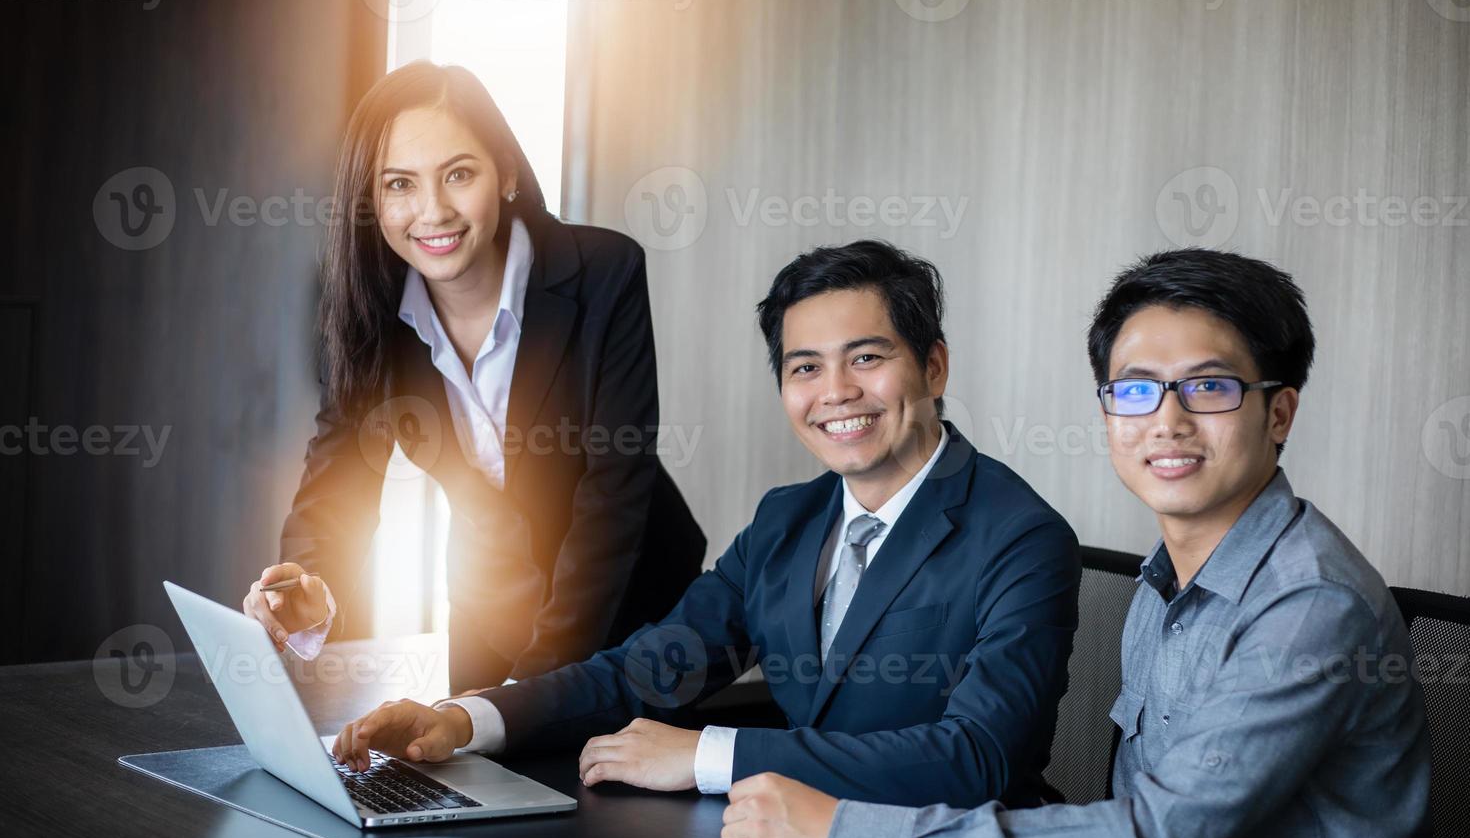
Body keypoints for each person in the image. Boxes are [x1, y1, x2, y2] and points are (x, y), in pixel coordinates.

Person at [720, 248, 1434, 838]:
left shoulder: (1309, 604)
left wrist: (844, 832)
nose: (1168, 422)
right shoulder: (1168, 579)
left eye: (1209, 387)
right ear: (1107, 413)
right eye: (1136, 391)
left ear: (1278, 413)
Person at [332, 240, 1081, 809]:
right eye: (806, 368)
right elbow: (644, 669)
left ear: (935, 368)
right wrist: (463, 720)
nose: (838, 392)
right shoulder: (788, 521)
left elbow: (978, 758)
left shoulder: (1021, 537)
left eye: (868, 357)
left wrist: (707, 757)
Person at [240, 61, 705, 692]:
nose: (433, 212)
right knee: (481, 786)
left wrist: (535, 696)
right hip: (491, 608)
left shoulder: (604, 272)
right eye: (399, 184)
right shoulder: (368, 310)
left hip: (634, 609)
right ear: (371, 201)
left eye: (458, 174)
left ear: (506, 172)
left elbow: (613, 496)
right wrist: (305, 588)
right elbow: (337, 481)